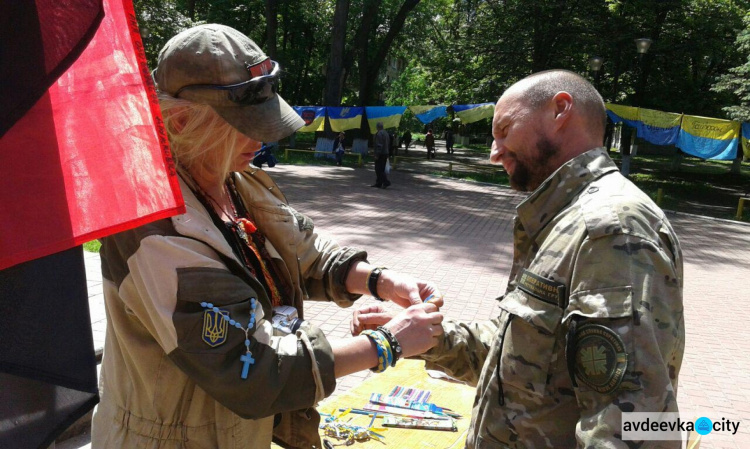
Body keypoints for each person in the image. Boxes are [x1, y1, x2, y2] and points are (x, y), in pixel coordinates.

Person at [91, 24, 444, 449]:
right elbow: (253, 369)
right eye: (245, 124)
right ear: (183, 121)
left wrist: (379, 280)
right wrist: (387, 343)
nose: (262, 139)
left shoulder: (234, 178)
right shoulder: (154, 226)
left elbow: (305, 251)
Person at [353, 70, 684, 448]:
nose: (494, 154)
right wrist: (427, 338)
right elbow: (518, 354)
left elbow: (632, 424)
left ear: (560, 110)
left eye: (505, 130)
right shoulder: (561, 218)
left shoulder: (610, 229)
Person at [372, 122, 391, 188]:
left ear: (377, 127)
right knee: (381, 169)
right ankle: (379, 183)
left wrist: (377, 154)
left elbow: (379, 145)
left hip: (381, 154)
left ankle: (385, 182)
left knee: (378, 169)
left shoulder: (379, 134)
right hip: (385, 153)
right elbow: (388, 143)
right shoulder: (386, 133)